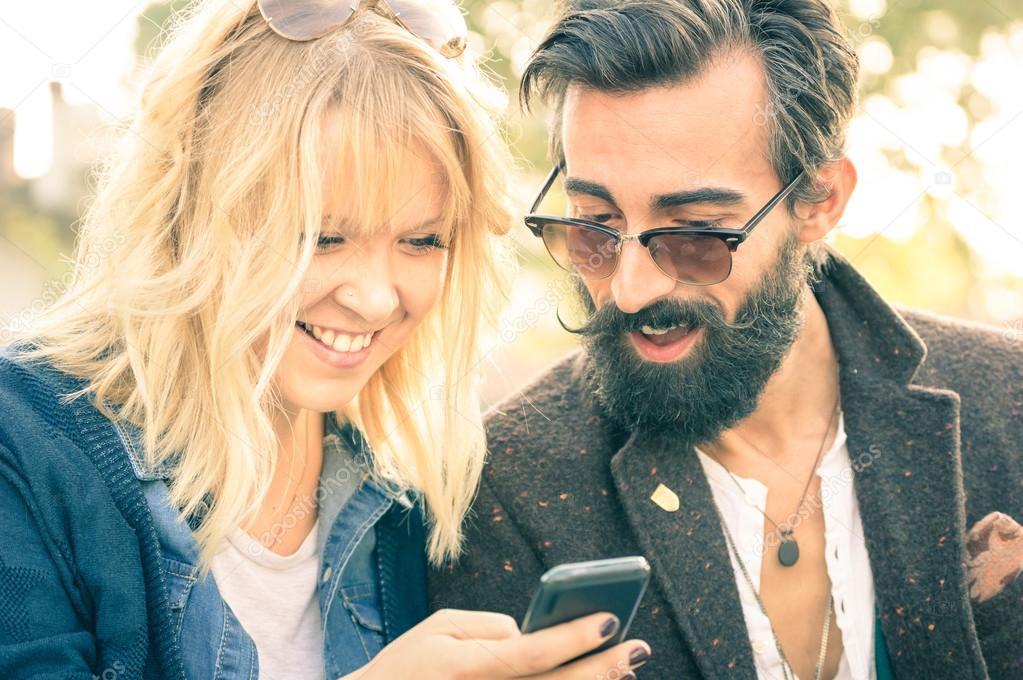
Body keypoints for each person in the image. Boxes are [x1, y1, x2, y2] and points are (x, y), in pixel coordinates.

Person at [0, 1, 652, 678]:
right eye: (322, 236)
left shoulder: (409, 507)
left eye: (421, 240)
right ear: (193, 211)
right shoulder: (23, 444)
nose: (373, 297)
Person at [429, 1, 1023, 678]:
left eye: (693, 235)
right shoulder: (504, 490)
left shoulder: (1009, 404)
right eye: (593, 225)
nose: (629, 289)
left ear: (820, 200)